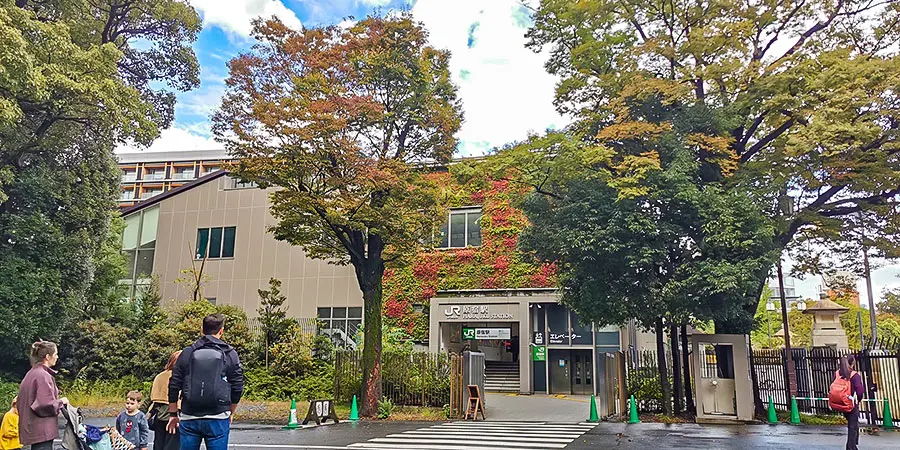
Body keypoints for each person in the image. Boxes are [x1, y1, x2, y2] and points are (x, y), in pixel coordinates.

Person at [167, 314, 244, 450]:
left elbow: (174, 385)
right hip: (218, 416)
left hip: (189, 414)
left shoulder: (188, 352)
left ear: (202, 330)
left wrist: (173, 414)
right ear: (221, 331)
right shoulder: (230, 353)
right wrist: (230, 412)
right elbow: (237, 386)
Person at [17, 341, 69, 450]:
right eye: (55, 354)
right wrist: (62, 401)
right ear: (47, 357)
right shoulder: (42, 376)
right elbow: (44, 404)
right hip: (42, 432)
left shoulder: (32, 373)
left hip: (34, 429)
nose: (57, 357)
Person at [149, 351, 182, 450]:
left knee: (159, 445)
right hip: (175, 416)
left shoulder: (160, 376)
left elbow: (150, 398)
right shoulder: (182, 377)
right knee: (172, 446)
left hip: (159, 416)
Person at [838, 354, 865, 450]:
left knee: (853, 424)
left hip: (841, 402)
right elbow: (860, 390)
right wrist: (859, 399)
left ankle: (853, 445)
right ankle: (851, 447)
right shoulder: (854, 375)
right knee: (852, 427)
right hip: (851, 403)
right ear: (853, 363)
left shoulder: (838, 373)